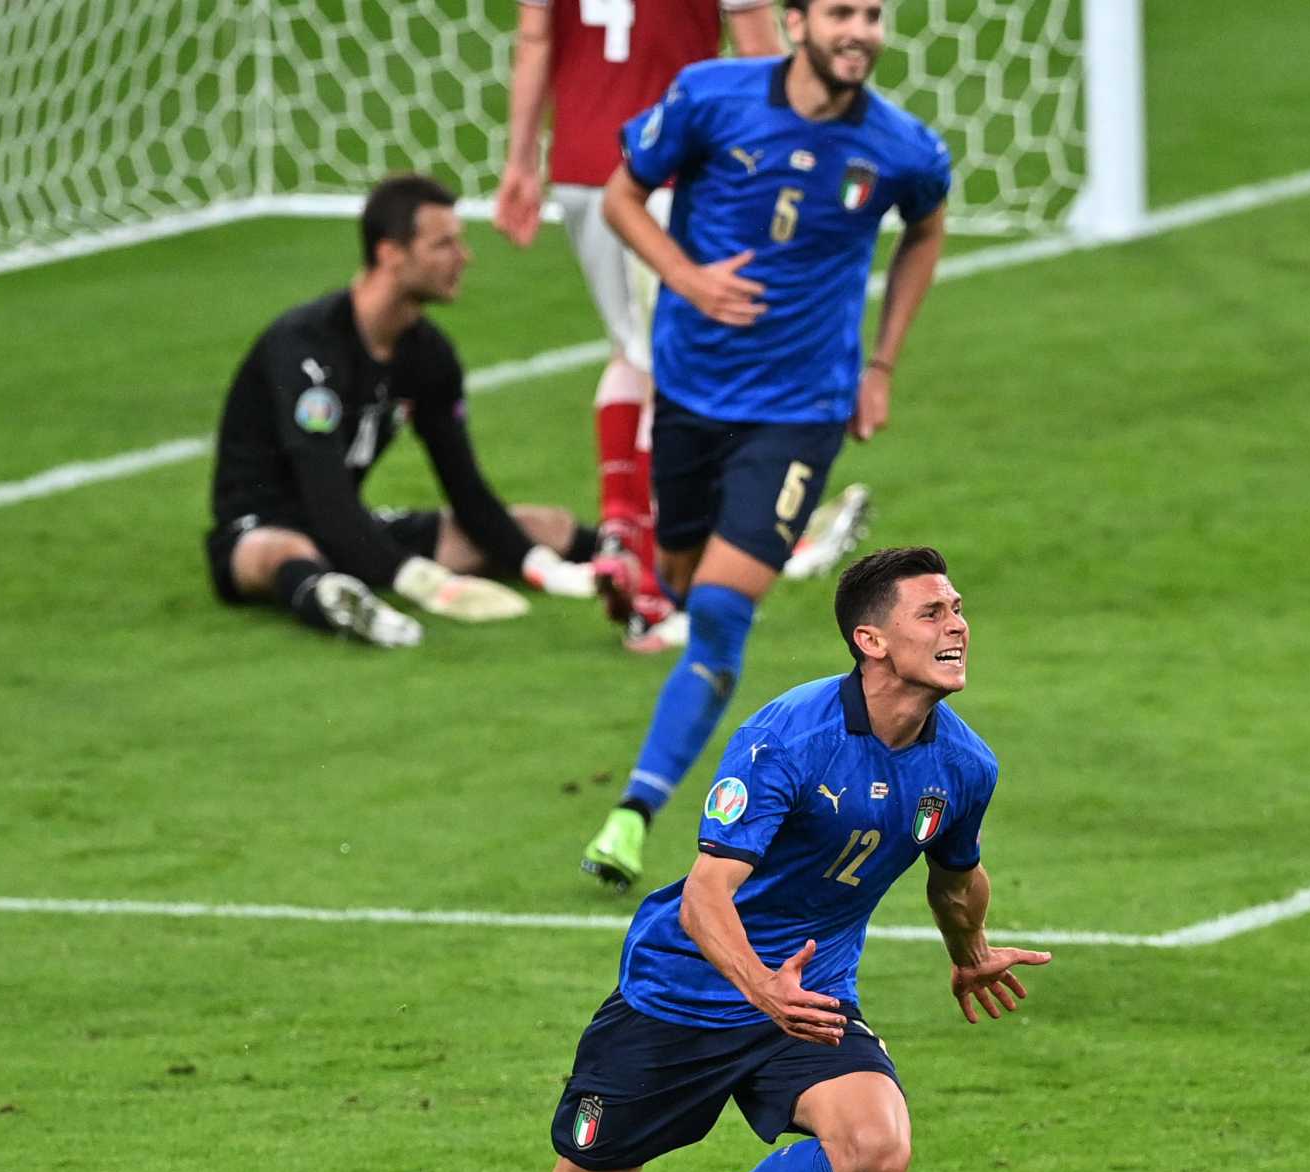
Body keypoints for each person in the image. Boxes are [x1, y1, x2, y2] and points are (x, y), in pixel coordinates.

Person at [368, 546, 1051, 1172]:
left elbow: (954, 871)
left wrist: (969, 947)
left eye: (959, 606)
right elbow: (704, 898)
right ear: (871, 639)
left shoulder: (962, 763)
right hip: (683, 997)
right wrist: (760, 990)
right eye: (932, 611)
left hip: (804, 997)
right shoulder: (789, 738)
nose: (957, 624)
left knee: (875, 1150)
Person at [579, 0, 950, 882]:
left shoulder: (903, 147)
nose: (859, 31)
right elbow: (621, 195)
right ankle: (790, 548)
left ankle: (633, 812)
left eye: (873, 15)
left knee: (714, 610)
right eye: (841, 13)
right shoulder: (711, 97)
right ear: (794, 24)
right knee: (675, 580)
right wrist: (685, 278)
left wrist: (882, 364)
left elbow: (926, 228)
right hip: (692, 392)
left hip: (801, 408)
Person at [204, 173, 608, 648]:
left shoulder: (429, 355)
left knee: (544, 526)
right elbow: (324, 493)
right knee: (279, 553)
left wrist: (541, 567)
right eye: (444, 245)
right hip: (262, 526)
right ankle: (331, 601)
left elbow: (466, 489)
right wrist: (421, 581)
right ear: (390, 254)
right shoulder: (306, 347)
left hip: (350, 523)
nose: (464, 257)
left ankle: (639, 558)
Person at [491, 0, 782, 640]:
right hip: (670, 169)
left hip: (582, 168)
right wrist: (786, 160)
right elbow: (761, 47)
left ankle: (622, 535)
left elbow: (535, 39)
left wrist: (520, 161)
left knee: (632, 351)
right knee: (677, 369)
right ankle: (657, 594)